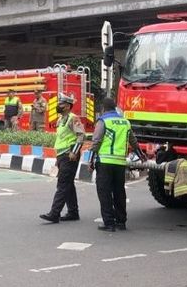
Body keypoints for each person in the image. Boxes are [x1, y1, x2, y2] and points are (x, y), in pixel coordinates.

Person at [92, 96, 141, 232]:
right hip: (120, 163)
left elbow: (96, 141)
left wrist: (91, 160)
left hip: (105, 162)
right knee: (119, 191)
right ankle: (121, 222)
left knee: (104, 192)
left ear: (103, 109)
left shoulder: (103, 121)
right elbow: (133, 141)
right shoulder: (125, 122)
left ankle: (109, 223)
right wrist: (141, 156)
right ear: (114, 108)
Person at [39, 94, 85, 224]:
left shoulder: (73, 118)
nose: (58, 106)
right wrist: (57, 159)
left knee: (63, 184)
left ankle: (54, 213)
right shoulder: (60, 120)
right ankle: (73, 212)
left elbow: (81, 136)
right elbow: (61, 139)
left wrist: (74, 152)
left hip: (69, 155)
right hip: (61, 155)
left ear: (68, 106)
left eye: (61, 104)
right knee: (68, 184)